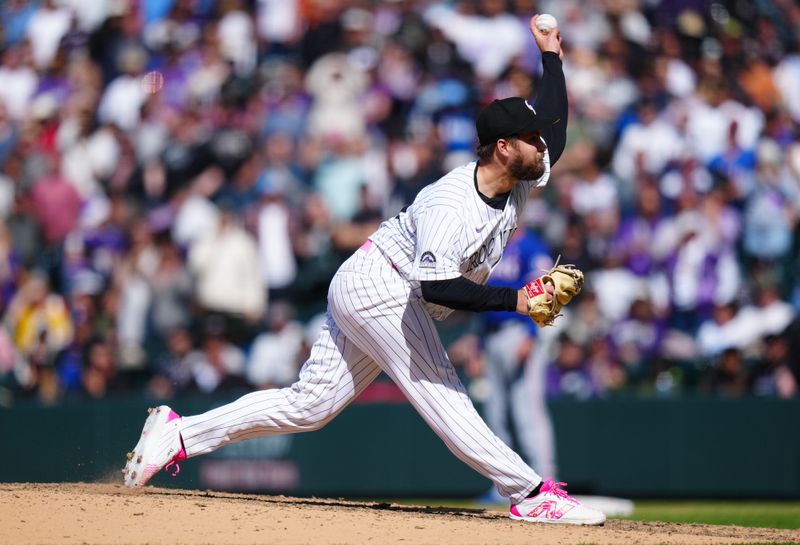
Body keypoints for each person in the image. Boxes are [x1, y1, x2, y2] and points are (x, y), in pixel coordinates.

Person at [122, 15, 606, 526]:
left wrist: (551, 54)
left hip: (379, 283)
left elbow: (556, 122)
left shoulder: (518, 179)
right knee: (441, 389)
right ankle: (529, 491)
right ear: (504, 147)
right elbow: (438, 284)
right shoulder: (451, 203)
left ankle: (178, 433)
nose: (543, 144)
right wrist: (518, 301)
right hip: (385, 285)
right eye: (531, 137)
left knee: (311, 405)